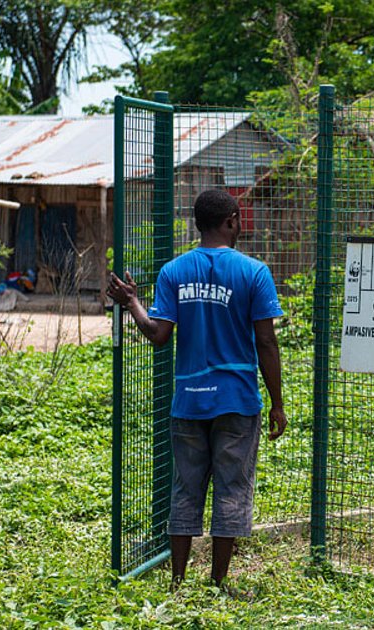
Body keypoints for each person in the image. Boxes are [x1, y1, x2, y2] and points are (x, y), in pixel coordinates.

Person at [106, 188, 286, 594]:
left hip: (188, 400)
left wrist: (133, 301)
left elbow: (158, 334)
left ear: (197, 224)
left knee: (186, 490)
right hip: (237, 401)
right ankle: (219, 583)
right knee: (232, 489)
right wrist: (276, 403)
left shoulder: (173, 272)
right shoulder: (254, 272)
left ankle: (177, 582)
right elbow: (266, 343)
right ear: (232, 221)